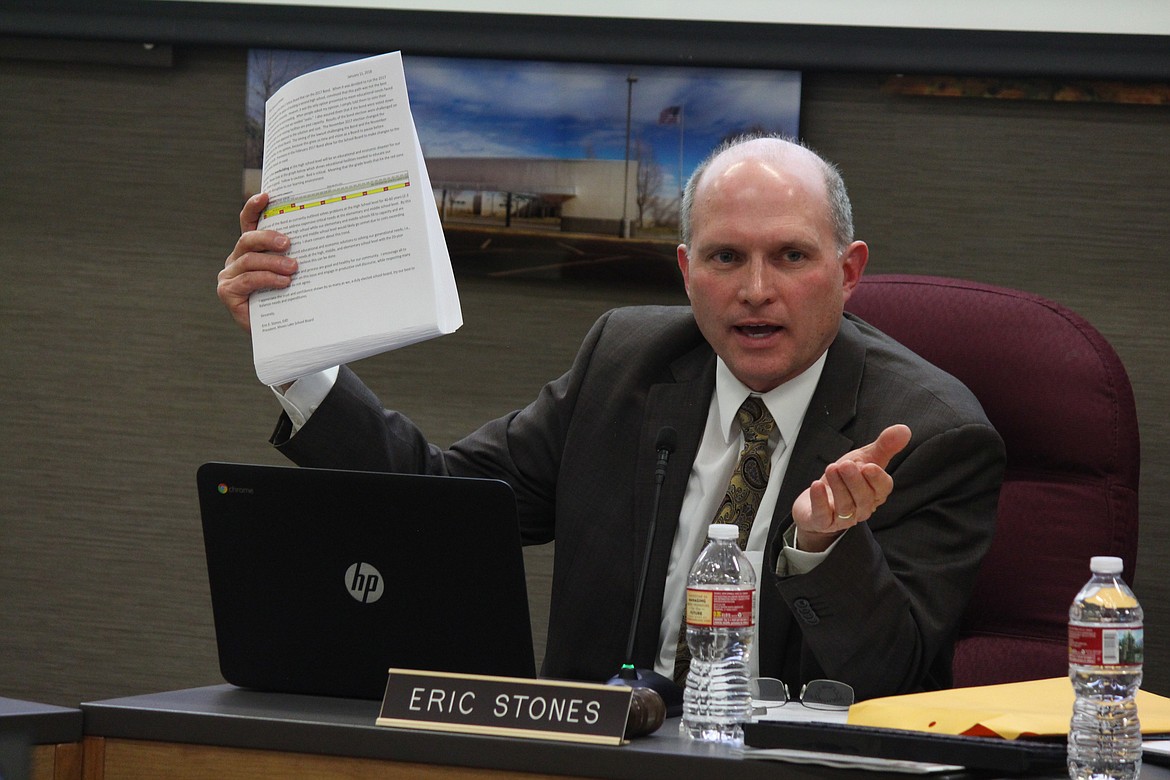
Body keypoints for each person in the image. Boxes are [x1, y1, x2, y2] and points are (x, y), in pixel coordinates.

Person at [217, 133, 1005, 701]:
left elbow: (895, 685)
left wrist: (824, 546)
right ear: (686, 271)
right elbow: (441, 503)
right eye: (726, 257)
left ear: (849, 271)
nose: (757, 289)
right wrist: (298, 357)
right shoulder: (627, 364)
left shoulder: (931, 435)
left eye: (792, 257)